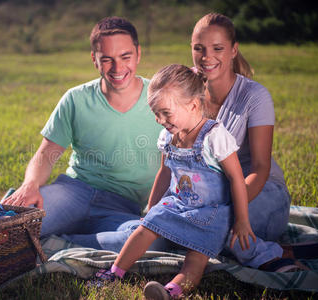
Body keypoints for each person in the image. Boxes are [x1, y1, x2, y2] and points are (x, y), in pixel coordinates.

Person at [93, 64, 256, 299]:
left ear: (193, 105)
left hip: (211, 213)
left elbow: (237, 179)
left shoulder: (215, 137)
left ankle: (172, 291)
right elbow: (165, 173)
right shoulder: (168, 136)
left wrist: (241, 220)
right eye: (155, 113)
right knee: (144, 228)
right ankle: (114, 272)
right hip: (178, 202)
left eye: (165, 113)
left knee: (196, 257)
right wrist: (151, 209)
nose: (160, 120)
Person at [1, 16, 163, 250]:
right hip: (74, 193)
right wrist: (30, 185)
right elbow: (46, 154)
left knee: (154, 244)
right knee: (7, 229)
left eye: (125, 57)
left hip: (123, 208)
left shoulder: (160, 98)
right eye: (107, 59)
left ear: (138, 53)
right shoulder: (75, 99)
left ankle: (57, 244)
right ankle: (42, 235)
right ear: (94, 60)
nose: (118, 68)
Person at [190, 13, 318, 271]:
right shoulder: (185, 86)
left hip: (261, 193)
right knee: (175, 231)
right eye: (199, 49)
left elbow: (260, 167)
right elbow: (169, 153)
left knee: (212, 230)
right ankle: (288, 250)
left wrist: (226, 209)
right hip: (211, 194)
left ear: (233, 50)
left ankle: (275, 256)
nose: (207, 57)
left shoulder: (255, 96)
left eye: (217, 48)